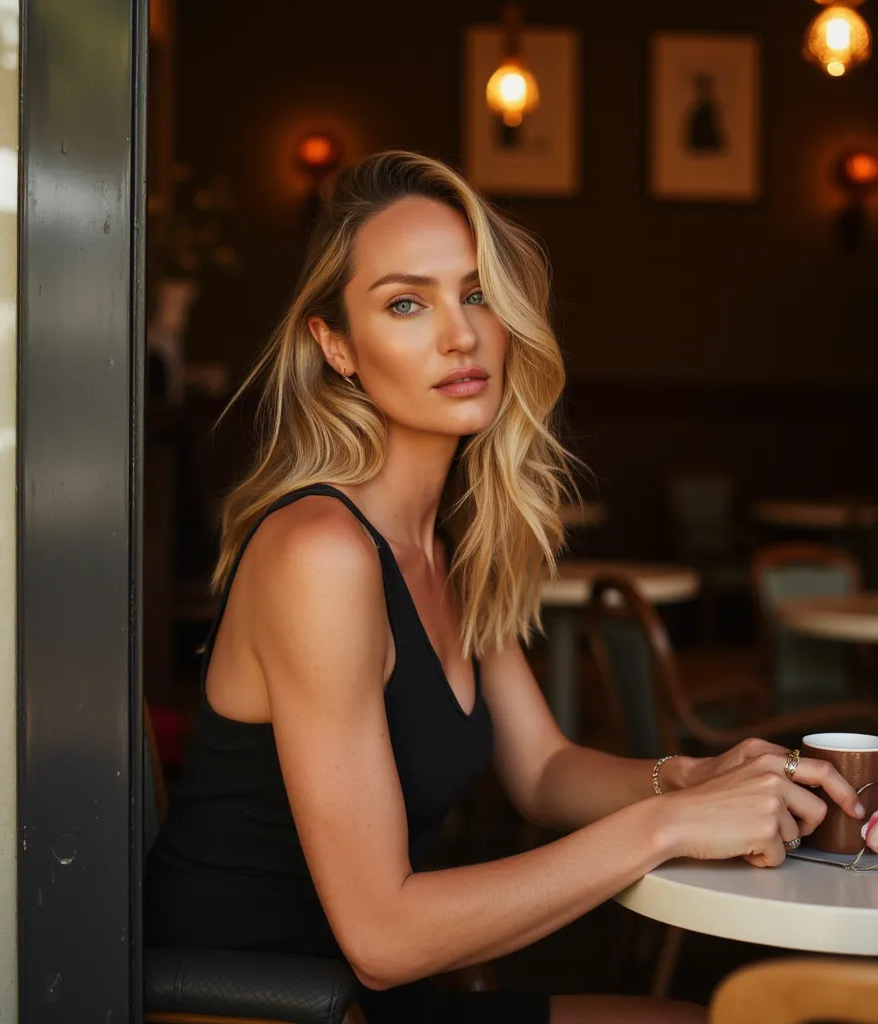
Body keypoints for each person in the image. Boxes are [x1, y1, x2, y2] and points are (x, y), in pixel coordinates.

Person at [144, 150, 872, 1023]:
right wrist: (669, 825)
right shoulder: (320, 553)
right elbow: (384, 937)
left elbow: (543, 769)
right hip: (271, 1008)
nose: (459, 334)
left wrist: (695, 774)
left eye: (478, 292)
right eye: (407, 303)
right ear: (334, 344)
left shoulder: (449, 542)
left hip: (381, 997)